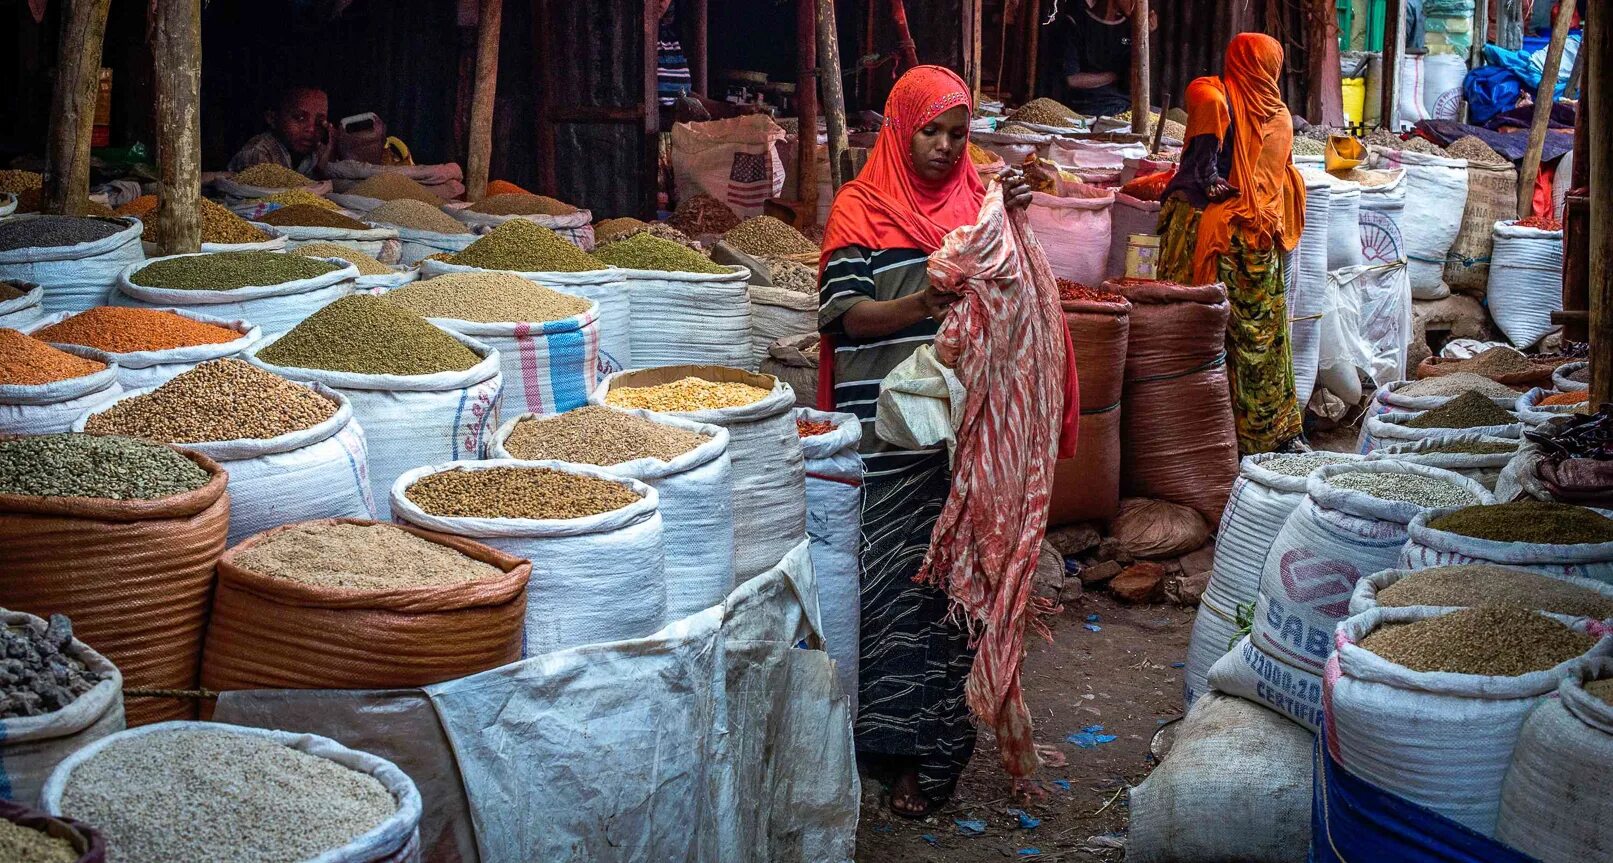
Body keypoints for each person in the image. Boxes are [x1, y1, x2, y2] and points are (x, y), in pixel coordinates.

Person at [815, 65, 1034, 818]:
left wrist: (1012, 220)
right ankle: (881, 743)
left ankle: (932, 760)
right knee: (884, 596)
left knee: (949, 597)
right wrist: (922, 299)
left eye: (957, 134)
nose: (944, 147)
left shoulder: (979, 206)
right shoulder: (859, 208)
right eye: (929, 130)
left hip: (958, 440)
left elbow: (1014, 300)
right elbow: (843, 316)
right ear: (899, 128)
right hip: (884, 435)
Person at [1158, 32, 1306, 454]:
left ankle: (1209, 441)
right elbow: (1201, 95)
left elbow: (1201, 97)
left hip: (1224, 243)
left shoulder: (1239, 106)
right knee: (1261, 340)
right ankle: (1264, 435)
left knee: (1210, 340)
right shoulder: (1273, 114)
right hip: (1257, 250)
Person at [1058, 0, 1156, 117]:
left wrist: (1145, 34)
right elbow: (1072, 80)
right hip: (1090, 107)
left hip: (1125, 106)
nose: (1138, 3)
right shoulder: (1076, 22)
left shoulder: (1131, 26)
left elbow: (1135, 79)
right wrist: (1112, 76)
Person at [227, 85, 334, 177]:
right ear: (272, 118)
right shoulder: (257, 153)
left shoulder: (317, 153)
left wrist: (322, 169)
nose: (311, 129)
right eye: (300, 118)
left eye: (320, 122)